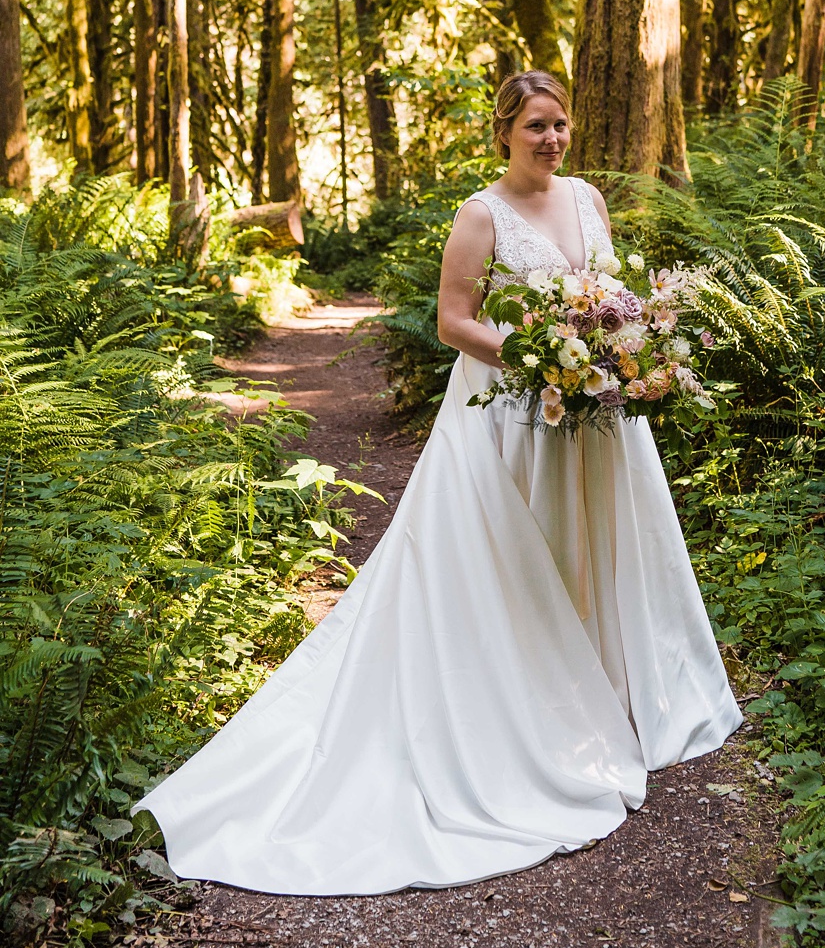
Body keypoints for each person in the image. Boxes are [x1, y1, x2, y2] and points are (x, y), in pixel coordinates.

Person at [135, 70, 741, 896]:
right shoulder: (479, 215)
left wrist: (621, 350)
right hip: (517, 418)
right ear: (505, 132)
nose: (552, 138)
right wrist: (537, 357)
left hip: (597, 413)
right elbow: (455, 318)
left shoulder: (590, 198)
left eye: (560, 123)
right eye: (536, 125)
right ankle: (527, 709)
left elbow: (608, 295)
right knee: (524, 559)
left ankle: (619, 696)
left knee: (603, 544)